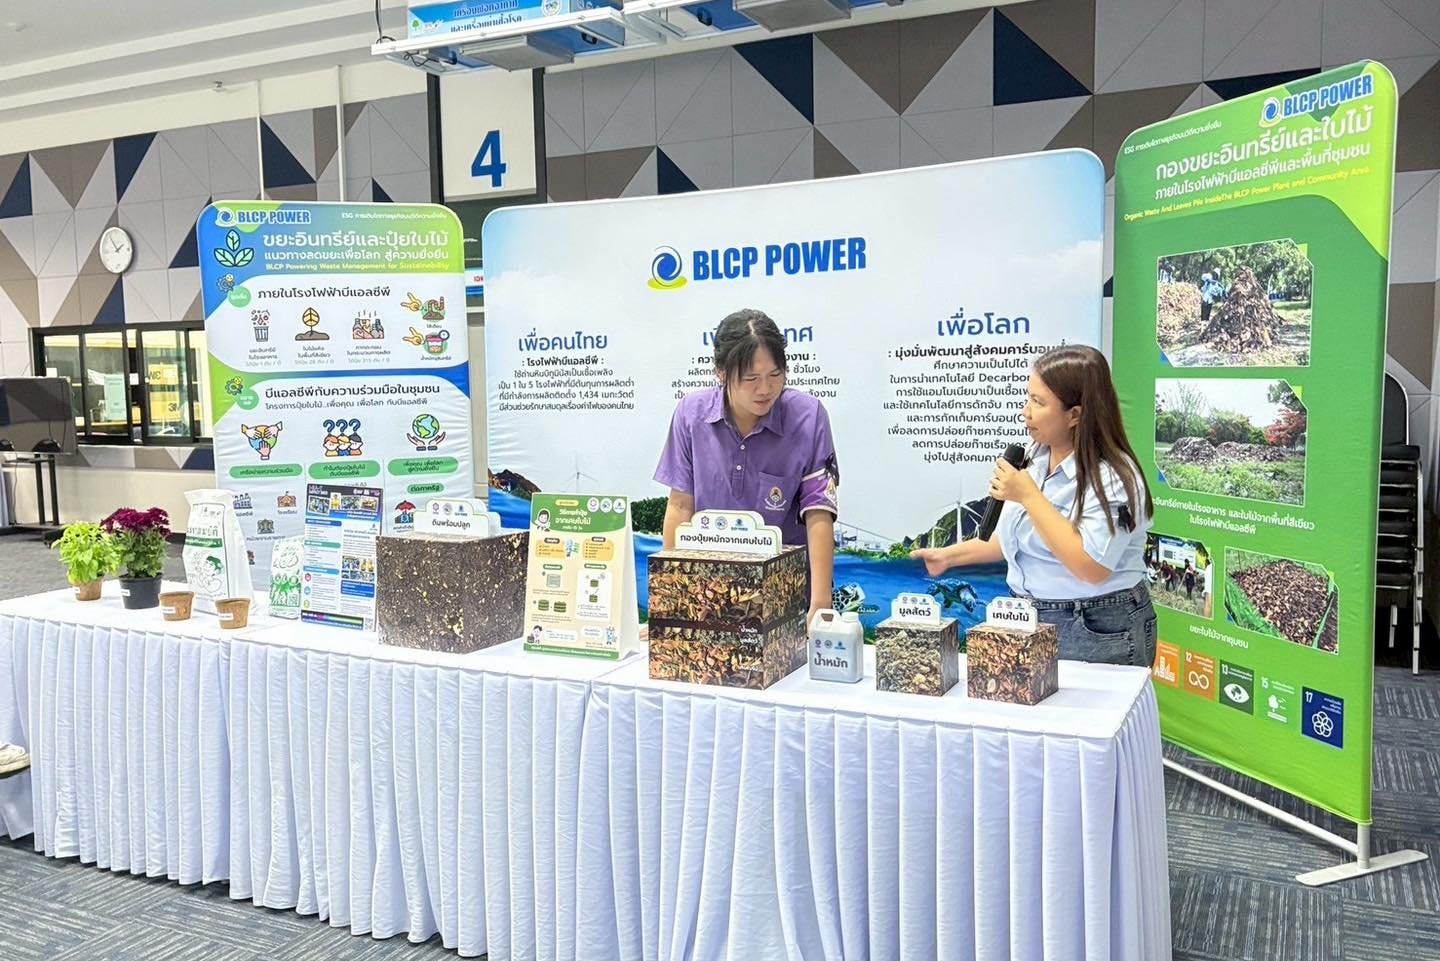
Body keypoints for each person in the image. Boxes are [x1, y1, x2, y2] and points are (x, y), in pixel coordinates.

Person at [912, 345, 1157, 667]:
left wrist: (1029, 496)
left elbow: (1091, 567)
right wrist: (948, 557)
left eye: (1038, 402)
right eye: (1028, 398)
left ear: (1075, 414)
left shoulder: (1112, 477)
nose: (1025, 412)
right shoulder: (1035, 456)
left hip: (1095, 625)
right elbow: (1017, 539)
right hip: (1026, 615)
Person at [656, 308, 838, 625]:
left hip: (786, 594)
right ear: (721, 372)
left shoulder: (808, 416)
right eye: (750, 378)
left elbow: (818, 511)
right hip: (711, 592)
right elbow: (681, 506)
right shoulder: (691, 414)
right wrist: (673, 603)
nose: (765, 389)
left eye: (775, 375)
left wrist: (821, 604)